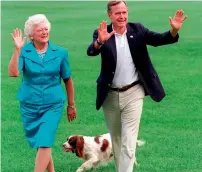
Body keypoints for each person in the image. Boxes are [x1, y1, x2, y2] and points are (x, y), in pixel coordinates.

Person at [87, 1, 187, 172]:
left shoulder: (137, 29)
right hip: (110, 95)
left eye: (124, 12)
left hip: (134, 92)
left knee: (129, 142)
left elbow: (159, 39)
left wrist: (174, 30)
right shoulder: (102, 33)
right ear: (109, 15)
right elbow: (91, 51)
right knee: (117, 141)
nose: (122, 16)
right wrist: (100, 42)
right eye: (117, 13)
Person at [8, 14, 76, 172]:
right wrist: (17, 50)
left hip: (53, 104)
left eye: (46, 29)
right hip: (29, 104)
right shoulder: (24, 51)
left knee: (45, 140)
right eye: (40, 30)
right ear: (31, 34)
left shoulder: (60, 52)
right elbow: (13, 73)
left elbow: (68, 79)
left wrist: (71, 105)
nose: (44, 32)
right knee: (40, 141)